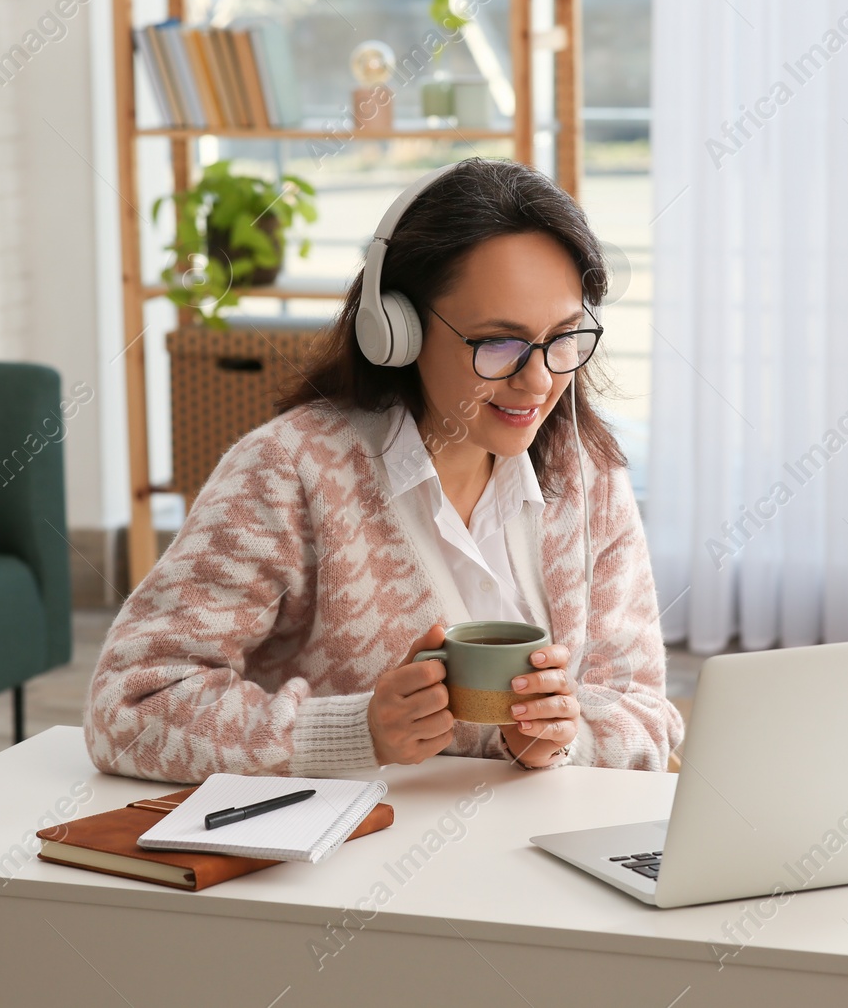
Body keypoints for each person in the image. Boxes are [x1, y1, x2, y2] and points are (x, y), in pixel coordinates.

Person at [84, 156, 684, 782]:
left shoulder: (587, 470)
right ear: (395, 331)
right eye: (498, 344)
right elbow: (128, 703)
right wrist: (356, 731)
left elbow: (647, 714)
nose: (539, 380)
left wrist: (564, 740)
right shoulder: (290, 472)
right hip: (350, 860)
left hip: (537, 856)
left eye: (564, 337)